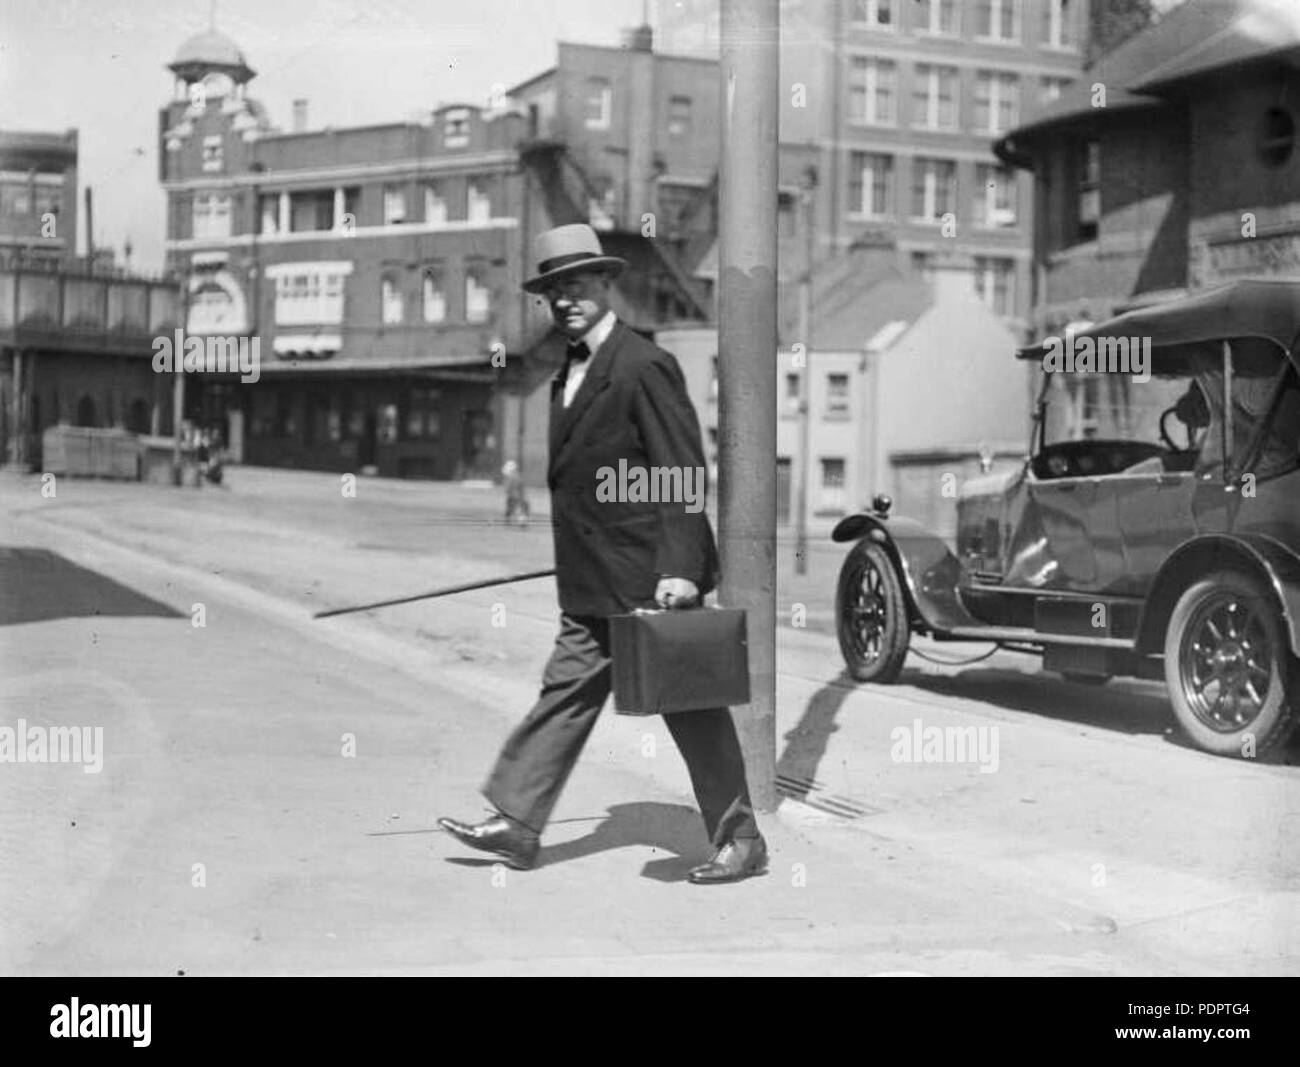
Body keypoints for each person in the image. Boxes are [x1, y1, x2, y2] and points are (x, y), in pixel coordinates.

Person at [439, 224, 766, 884]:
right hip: (590, 582)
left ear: (605, 284)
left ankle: (740, 839)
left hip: (650, 579)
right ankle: (518, 820)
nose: (566, 300)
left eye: (578, 284)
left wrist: (679, 568)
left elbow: (679, 471)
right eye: (555, 290)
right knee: (562, 695)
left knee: (694, 711)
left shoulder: (643, 364)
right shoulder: (568, 372)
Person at [501, 459, 529, 526]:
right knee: (514, 509)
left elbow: (508, 488)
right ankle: (518, 519)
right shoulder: (518, 477)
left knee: (516, 509)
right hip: (518, 497)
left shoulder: (512, 478)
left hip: (514, 497)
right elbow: (521, 489)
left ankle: (520, 520)